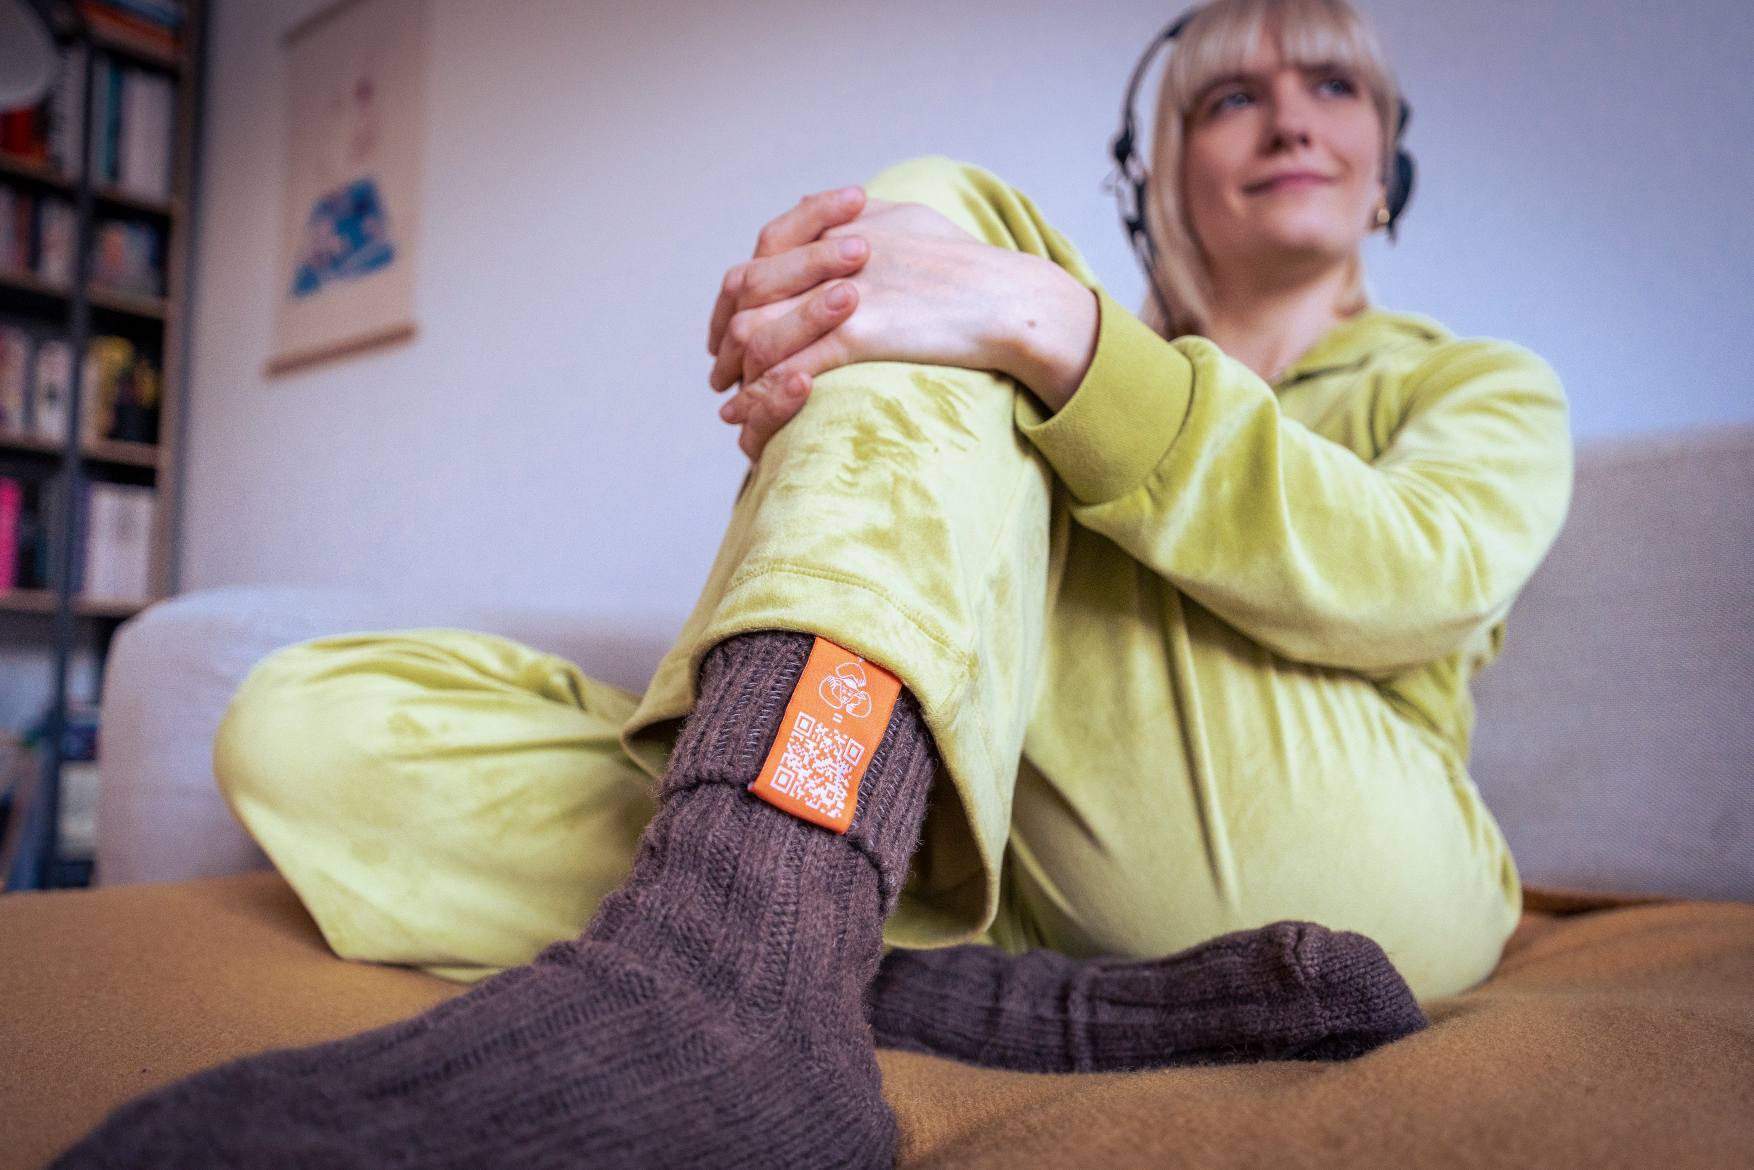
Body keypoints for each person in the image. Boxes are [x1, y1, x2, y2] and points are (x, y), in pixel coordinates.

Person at [48, 0, 1572, 1166]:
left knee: (936, 213)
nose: (1287, 116)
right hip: (1027, 853)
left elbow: (1417, 574)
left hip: (1341, 846)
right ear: (1157, 172)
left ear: (1387, 163)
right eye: (1230, 94)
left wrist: (1047, 332)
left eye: (1331, 85)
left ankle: (730, 968)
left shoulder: (1474, 382)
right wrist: (868, 421)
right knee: (310, 722)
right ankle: (882, 969)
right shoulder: (991, 348)